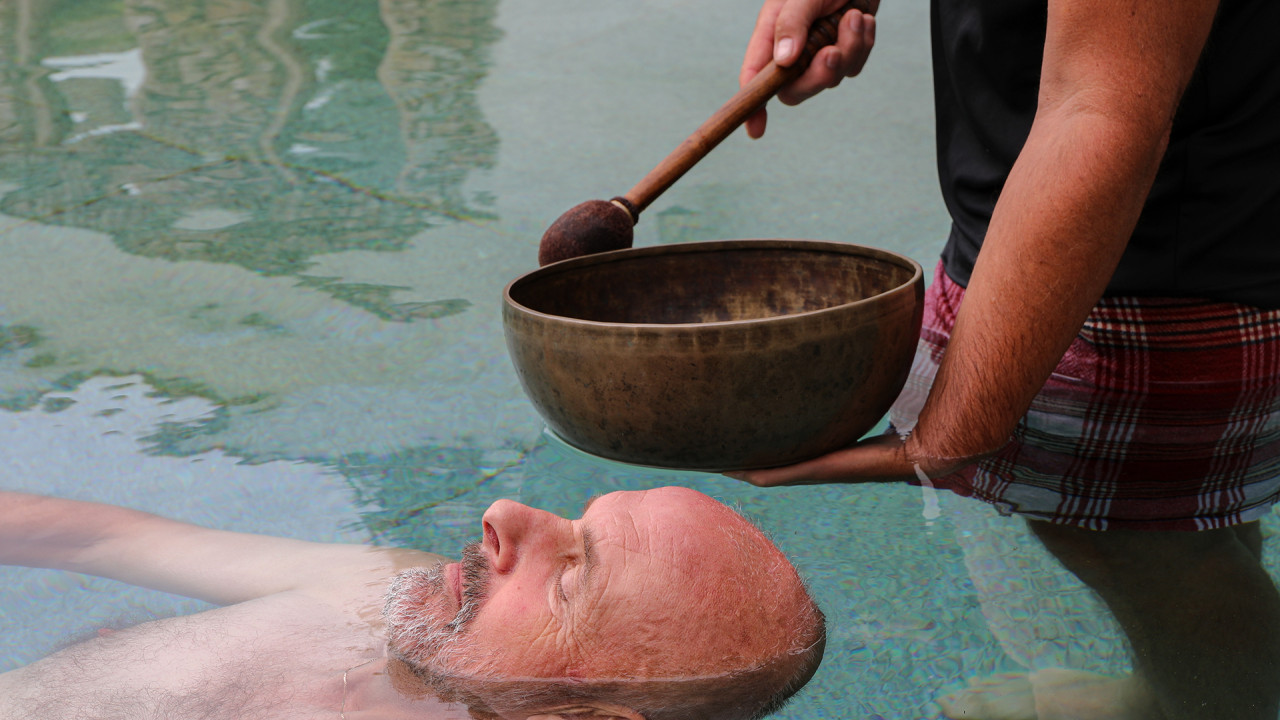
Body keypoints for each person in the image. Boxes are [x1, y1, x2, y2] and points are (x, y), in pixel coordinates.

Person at [729, 0, 1280, 718]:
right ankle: (1172, 690)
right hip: (1176, 230)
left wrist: (957, 429)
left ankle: (1216, 698)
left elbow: (1100, 108)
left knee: (1135, 552)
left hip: (1139, 282)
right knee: (1184, 529)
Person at [0, 486, 825, 720]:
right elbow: (96, 541)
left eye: (570, 575)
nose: (505, 517)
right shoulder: (388, 593)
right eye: (573, 517)